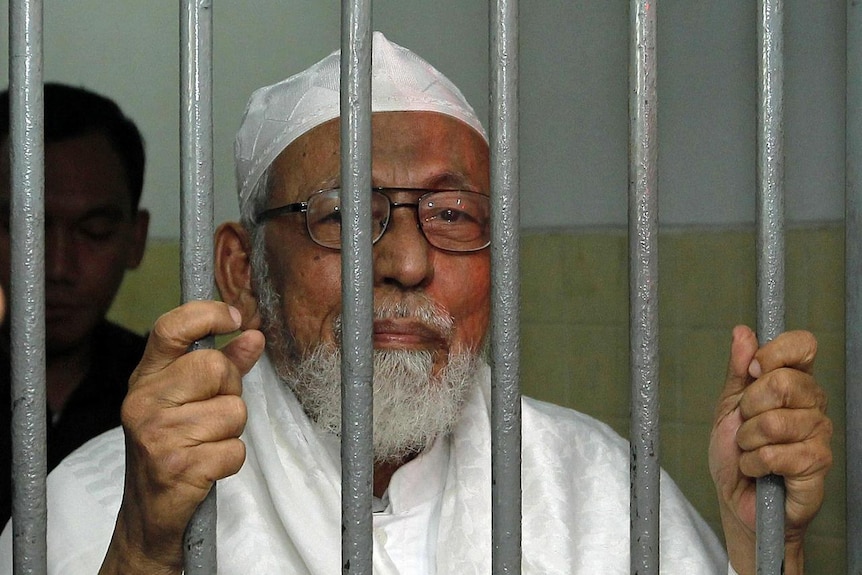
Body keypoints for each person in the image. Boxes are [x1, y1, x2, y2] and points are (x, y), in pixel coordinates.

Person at [1, 33, 831, 574]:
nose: (405, 259)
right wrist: (145, 550)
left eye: (452, 216)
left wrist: (768, 545)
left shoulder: (598, 489)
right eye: (344, 216)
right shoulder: (93, 504)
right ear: (243, 270)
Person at [0, 84, 150, 523]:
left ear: (135, 239)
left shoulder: (162, 392)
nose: (58, 266)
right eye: (24, 228)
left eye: (94, 230)